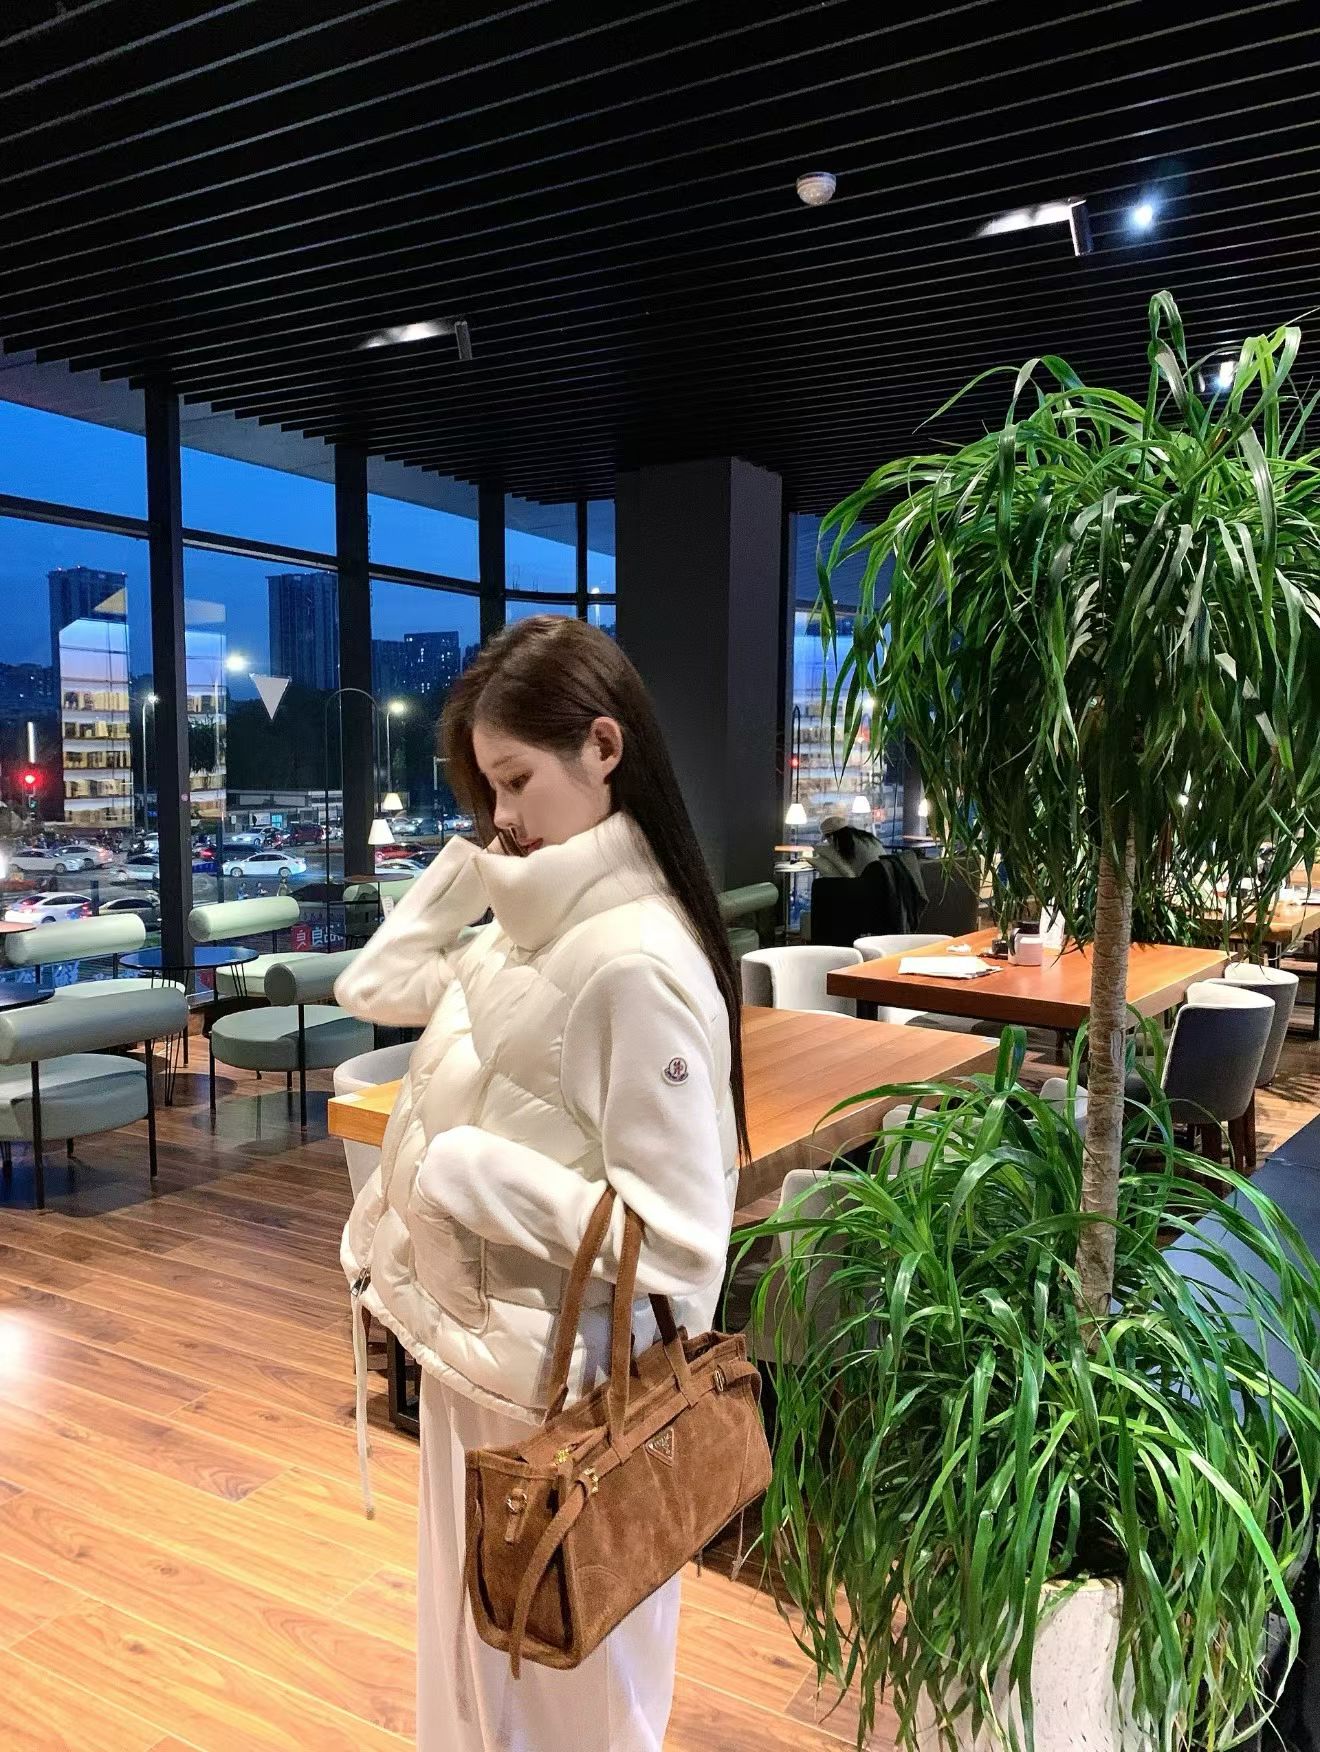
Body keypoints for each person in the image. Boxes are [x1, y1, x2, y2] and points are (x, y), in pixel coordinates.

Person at [334, 616, 746, 1752]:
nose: (502, 812)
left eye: (515, 780)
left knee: (567, 1686)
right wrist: (478, 856)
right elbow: (375, 982)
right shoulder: (525, 927)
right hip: (478, 1348)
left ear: (604, 748)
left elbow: (682, 1241)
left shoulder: (634, 960)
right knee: (480, 1666)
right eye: (485, 788)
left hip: (565, 1389)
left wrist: (475, 1173)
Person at [810, 809, 885, 880]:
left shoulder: (844, 844)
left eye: (827, 837)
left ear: (831, 836)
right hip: (885, 880)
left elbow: (845, 871)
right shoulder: (863, 837)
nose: (828, 841)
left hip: (870, 884)